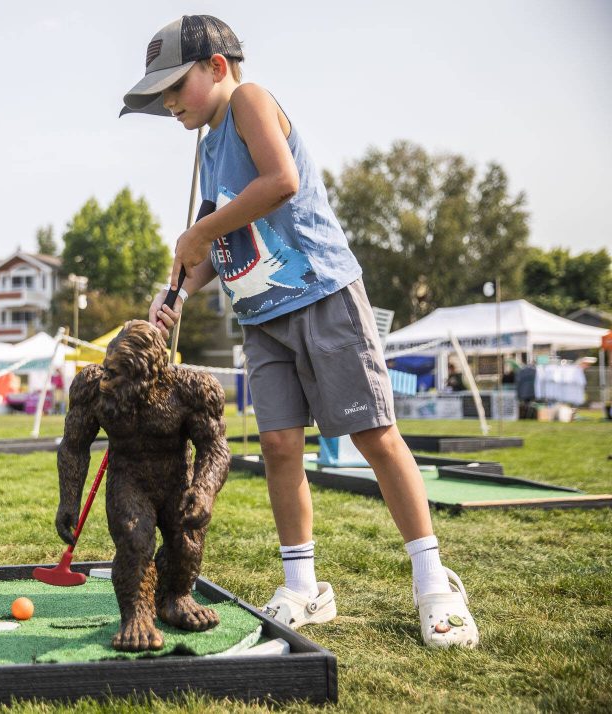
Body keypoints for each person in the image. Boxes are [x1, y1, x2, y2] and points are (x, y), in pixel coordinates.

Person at [125, 15, 478, 648]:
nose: (169, 103)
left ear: (217, 67)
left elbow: (280, 182)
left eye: (175, 86)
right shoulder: (206, 147)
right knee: (281, 447)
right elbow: (220, 240)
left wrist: (202, 231)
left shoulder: (250, 103)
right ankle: (305, 588)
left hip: (321, 294)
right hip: (262, 318)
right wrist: (175, 290)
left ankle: (433, 581)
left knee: (374, 434)